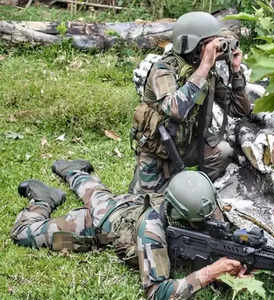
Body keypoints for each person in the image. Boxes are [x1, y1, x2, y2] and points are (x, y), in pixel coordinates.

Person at [11, 160, 247, 299]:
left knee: (97, 196)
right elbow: (157, 292)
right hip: (100, 229)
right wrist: (210, 273)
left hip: (127, 203)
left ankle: (75, 170)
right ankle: (44, 198)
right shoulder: (151, 229)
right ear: (178, 213)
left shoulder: (200, 205)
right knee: (24, 235)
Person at [129, 11, 251, 194]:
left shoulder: (207, 73)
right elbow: (174, 110)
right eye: (210, 44)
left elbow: (239, 110)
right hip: (158, 150)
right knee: (146, 203)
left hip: (187, 145)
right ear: (192, 45)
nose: (216, 49)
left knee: (223, 152)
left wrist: (235, 71)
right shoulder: (163, 69)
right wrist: (204, 67)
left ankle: (199, 188)